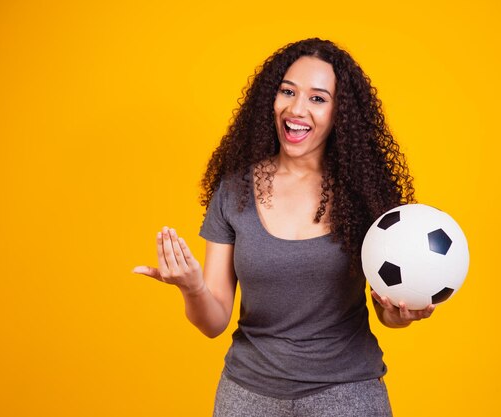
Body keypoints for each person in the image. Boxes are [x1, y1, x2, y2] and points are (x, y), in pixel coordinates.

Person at [133, 38, 435, 416]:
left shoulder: (364, 195)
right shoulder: (234, 191)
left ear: (341, 112)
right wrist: (192, 288)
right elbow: (213, 323)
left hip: (347, 394)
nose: (296, 108)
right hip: (248, 395)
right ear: (270, 99)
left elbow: (387, 311)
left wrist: (400, 314)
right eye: (287, 91)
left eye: (318, 98)